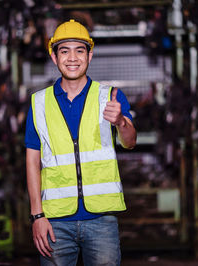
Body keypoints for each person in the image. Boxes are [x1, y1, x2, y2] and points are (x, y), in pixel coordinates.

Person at [25, 19, 137, 266]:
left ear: (90, 55)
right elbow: (32, 162)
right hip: (54, 222)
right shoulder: (39, 104)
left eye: (80, 50)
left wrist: (120, 121)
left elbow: (129, 142)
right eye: (64, 51)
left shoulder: (109, 96)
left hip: (101, 221)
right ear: (54, 57)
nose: (72, 58)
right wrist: (37, 216)